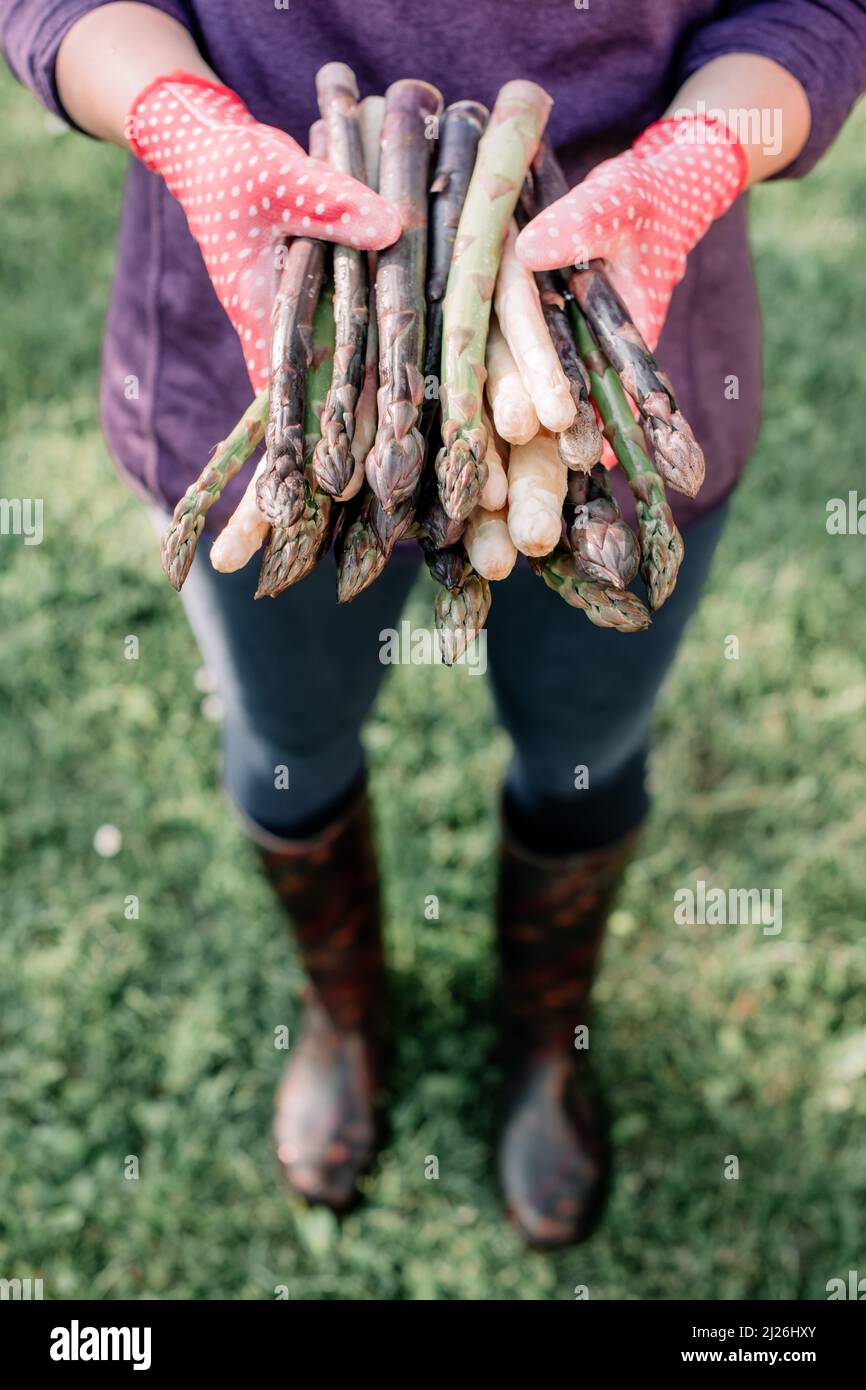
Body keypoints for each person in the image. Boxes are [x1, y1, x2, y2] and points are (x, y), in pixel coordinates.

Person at [4, 0, 864, 1249]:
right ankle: (347, 1011)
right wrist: (179, 119)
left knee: (586, 747)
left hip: (611, 346)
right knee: (287, 743)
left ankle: (545, 1037)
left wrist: (700, 155)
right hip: (267, 353)